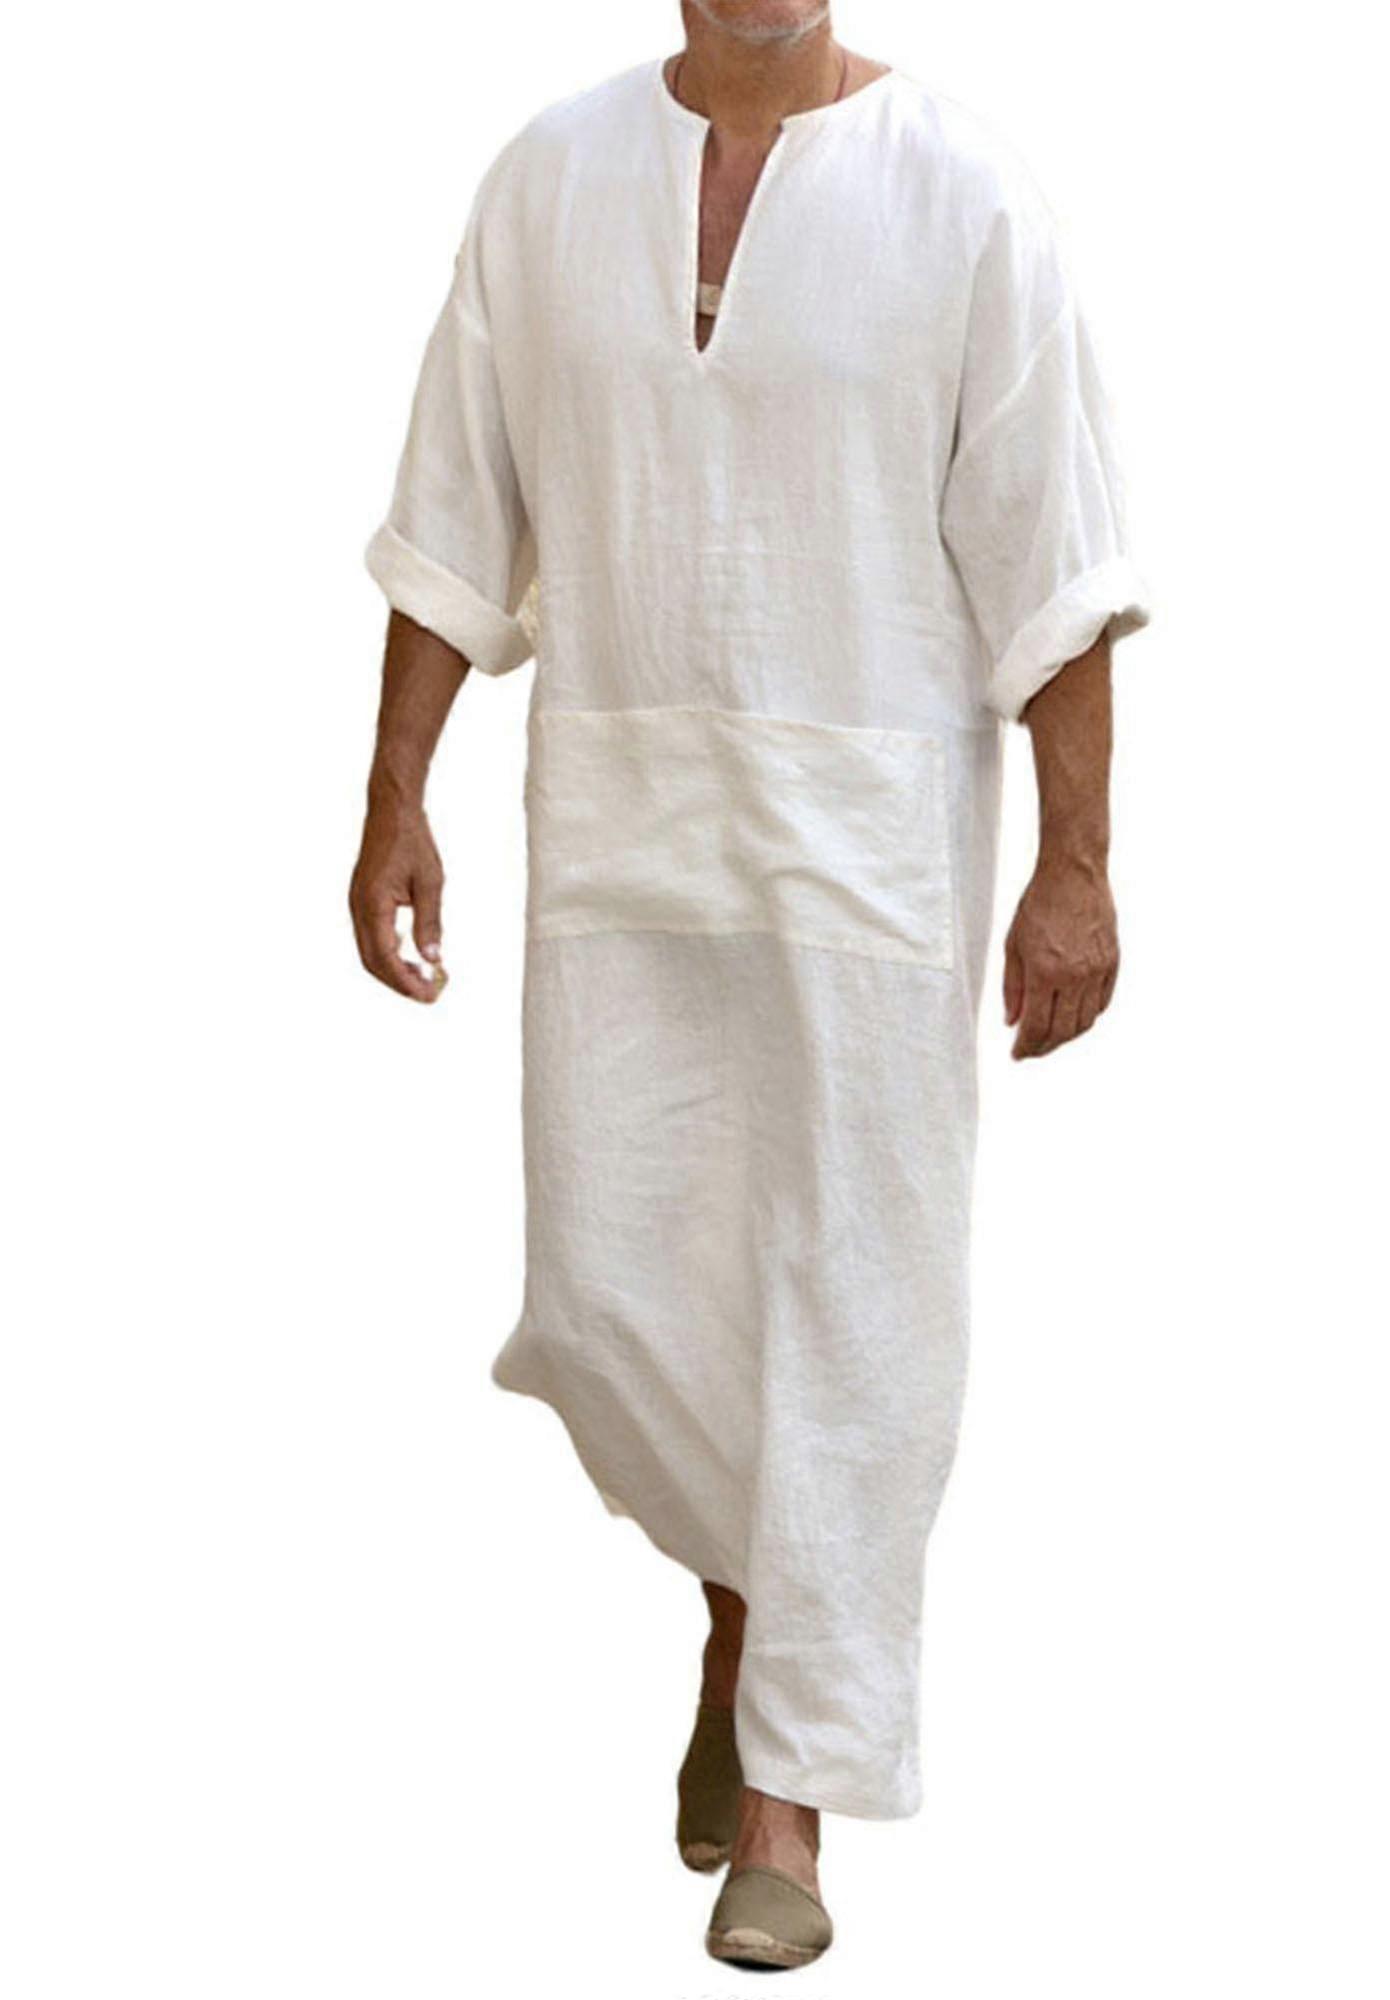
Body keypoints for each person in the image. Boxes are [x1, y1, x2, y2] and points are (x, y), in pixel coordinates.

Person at [350, 0, 1149, 1969]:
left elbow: (1057, 559)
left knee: (852, 1316)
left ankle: (789, 1797)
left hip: (863, 865)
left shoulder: (964, 195)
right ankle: (743, 1614)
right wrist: (392, 794)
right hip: (624, 846)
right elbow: (456, 514)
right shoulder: (548, 180)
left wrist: (1076, 863)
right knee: (609, 1299)